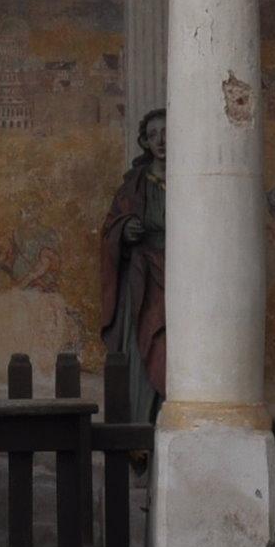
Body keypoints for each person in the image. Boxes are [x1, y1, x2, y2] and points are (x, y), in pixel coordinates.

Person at [99, 110, 169, 413]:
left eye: (167, 132)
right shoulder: (135, 184)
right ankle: (140, 430)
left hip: (184, 276)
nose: (161, 140)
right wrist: (124, 230)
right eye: (153, 135)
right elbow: (110, 227)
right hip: (142, 279)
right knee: (141, 350)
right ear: (145, 141)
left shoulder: (195, 177)